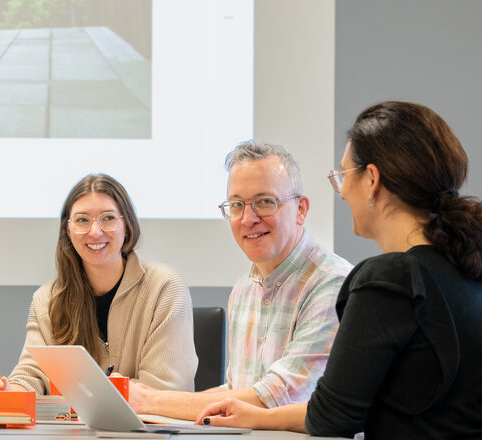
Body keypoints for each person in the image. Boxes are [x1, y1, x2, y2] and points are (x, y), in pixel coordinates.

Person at [197, 101, 482, 438]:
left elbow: (333, 418)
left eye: (343, 176)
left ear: (371, 181)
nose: (341, 192)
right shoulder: (481, 280)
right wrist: (252, 415)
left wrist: (256, 417)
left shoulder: (389, 281)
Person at [126, 141, 353, 420]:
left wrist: (150, 401)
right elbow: (238, 391)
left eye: (265, 202)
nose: (248, 219)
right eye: (237, 205)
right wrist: (150, 404)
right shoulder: (244, 290)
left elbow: (273, 399)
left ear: (301, 210)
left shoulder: (332, 284)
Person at [0, 174, 197, 410]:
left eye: (108, 218)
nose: (95, 232)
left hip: (150, 431)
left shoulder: (164, 287)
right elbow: (33, 372)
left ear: (127, 226)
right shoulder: (46, 300)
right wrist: (9, 391)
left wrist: (82, 394)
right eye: (82, 220)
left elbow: (163, 389)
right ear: (68, 230)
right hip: (72, 432)